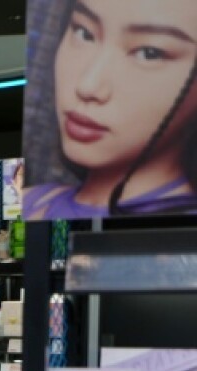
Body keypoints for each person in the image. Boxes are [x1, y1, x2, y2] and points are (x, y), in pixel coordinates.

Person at [25, 0, 197, 218]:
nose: (88, 86)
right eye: (84, 33)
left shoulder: (180, 238)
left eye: (149, 53)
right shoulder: (24, 202)